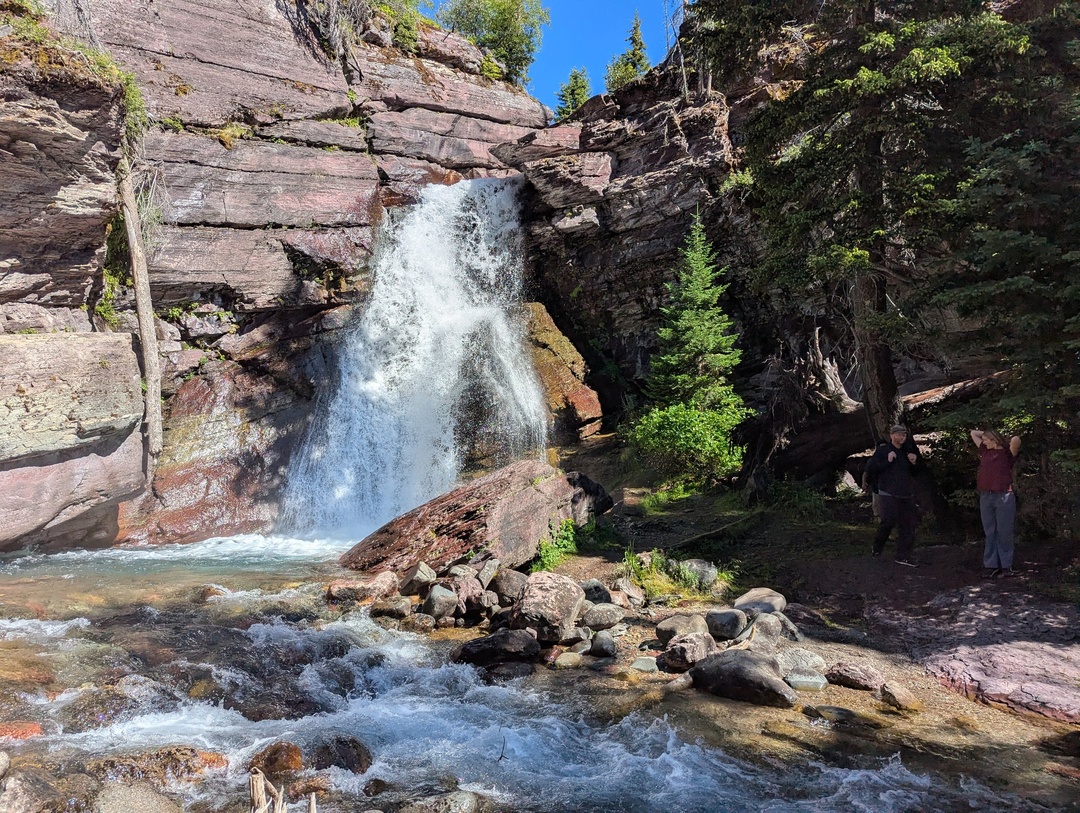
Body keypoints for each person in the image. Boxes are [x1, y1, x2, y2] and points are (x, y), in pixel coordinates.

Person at [864, 424, 923, 566]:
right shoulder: (884, 451)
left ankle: (903, 556)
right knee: (888, 522)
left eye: (903, 435)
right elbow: (871, 469)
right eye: (898, 434)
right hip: (888, 493)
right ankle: (877, 548)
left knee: (908, 525)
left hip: (905, 494)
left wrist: (914, 463)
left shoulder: (907, 452)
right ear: (891, 435)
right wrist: (887, 461)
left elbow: (915, 473)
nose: (901, 437)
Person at [971, 428, 1021, 578]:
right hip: (986, 495)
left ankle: (1006, 566)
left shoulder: (1007, 454)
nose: (984, 442)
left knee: (1004, 531)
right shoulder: (984, 451)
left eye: (987, 440)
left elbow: (1016, 439)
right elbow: (973, 433)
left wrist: (998, 437)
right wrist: (986, 434)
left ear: (994, 440)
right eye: (984, 440)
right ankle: (991, 565)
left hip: (1004, 495)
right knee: (990, 531)